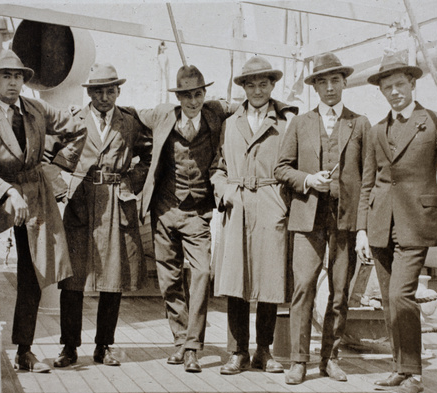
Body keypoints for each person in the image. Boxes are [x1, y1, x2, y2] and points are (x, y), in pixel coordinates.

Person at [0, 49, 87, 373]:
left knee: (31, 275)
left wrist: (58, 168)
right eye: (6, 76)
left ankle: (25, 351)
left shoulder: (37, 109)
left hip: (36, 193)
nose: (13, 83)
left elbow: (78, 127)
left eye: (18, 77)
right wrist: (7, 192)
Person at [355, 53, 437, 393]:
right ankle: (400, 367)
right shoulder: (376, 131)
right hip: (379, 223)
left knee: (400, 295)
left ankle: (415, 376)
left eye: (399, 85)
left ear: (412, 84)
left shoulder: (434, 121)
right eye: (387, 88)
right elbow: (368, 183)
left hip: (415, 222)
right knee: (389, 301)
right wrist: (362, 229)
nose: (394, 92)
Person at [275, 52, 371, 385]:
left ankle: (330, 358)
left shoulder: (359, 123)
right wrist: (308, 180)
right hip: (307, 218)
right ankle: (299, 360)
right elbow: (281, 168)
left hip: (344, 220)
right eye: (322, 81)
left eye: (335, 80)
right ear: (315, 87)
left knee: (340, 291)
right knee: (302, 287)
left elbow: (368, 177)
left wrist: (362, 228)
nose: (329, 87)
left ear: (344, 82)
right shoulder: (300, 123)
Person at [52, 63, 152, 368]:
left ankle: (105, 345)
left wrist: (131, 182)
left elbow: (149, 156)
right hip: (80, 204)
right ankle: (69, 347)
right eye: (98, 90)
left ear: (118, 91)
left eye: (110, 90)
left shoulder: (130, 122)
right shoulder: (73, 120)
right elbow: (50, 159)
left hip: (115, 202)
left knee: (113, 279)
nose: (104, 96)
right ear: (89, 93)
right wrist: (61, 189)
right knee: (73, 280)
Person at [137, 65, 232, 373]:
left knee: (202, 273)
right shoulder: (163, 114)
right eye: (187, 95)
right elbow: (129, 113)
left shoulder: (215, 113)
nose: (193, 101)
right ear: (177, 97)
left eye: (198, 94)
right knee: (169, 280)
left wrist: (286, 109)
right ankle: (180, 342)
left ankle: (193, 346)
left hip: (198, 212)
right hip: (164, 210)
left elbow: (249, 105)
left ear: (205, 94)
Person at [210, 56, 297, 375]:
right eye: (250, 84)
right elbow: (217, 168)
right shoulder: (230, 123)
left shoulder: (287, 122)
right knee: (236, 281)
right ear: (243, 88)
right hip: (237, 204)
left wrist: (281, 201)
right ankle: (237, 352)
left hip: (271, 204)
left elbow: (293, 166)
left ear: (273, 86)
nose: (257, 90)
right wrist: (225, 191)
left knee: (268, 281)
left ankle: (264, 350)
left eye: (263, 84)